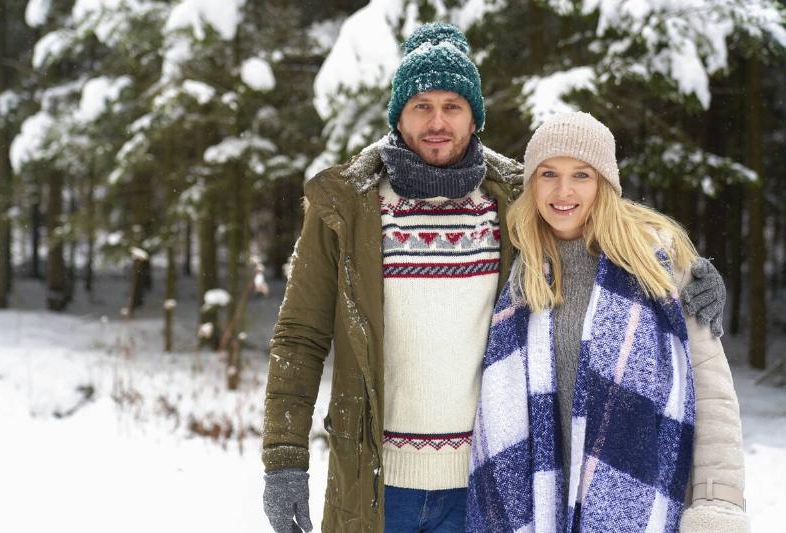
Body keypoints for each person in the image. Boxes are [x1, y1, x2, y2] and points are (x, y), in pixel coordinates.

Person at [262, 23, 726, 533]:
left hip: (489, 482)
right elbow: (299, 338)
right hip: (373, 483)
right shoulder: (344, 208)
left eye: (453, 106)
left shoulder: (512, 201)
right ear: (398, 115)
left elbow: (597, 219)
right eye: (421, 105)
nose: (437, 121)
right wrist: (284, 459)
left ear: (474, 116)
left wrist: (685, 271)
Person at [466, 112, 748, 533]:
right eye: (549, 173)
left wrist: (717, 502)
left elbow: (713, 394)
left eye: (582, 174)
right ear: (532, 185)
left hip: (643, 507)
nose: (564, 191)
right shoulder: (517, 272)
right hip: (543, 511)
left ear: (604, 184)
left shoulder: (662, 266)